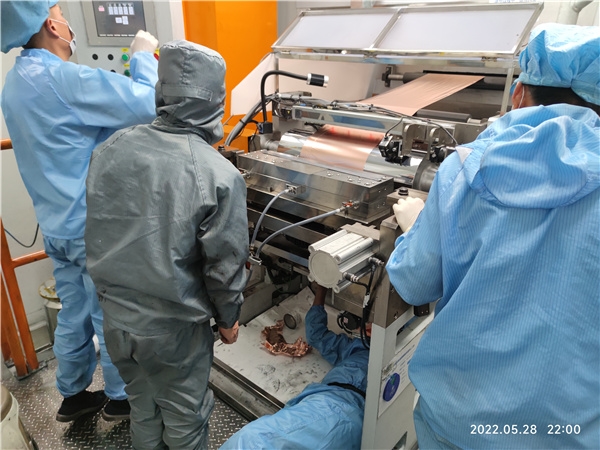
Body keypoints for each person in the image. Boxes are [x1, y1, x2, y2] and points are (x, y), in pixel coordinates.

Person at [386, 23, 599, 449]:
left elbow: (413, 283)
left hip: (457, 422)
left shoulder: (463, 168)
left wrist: (416, 229)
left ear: (518, 94)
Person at [84, 40, 248, 450]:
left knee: (143, 407)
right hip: (172, 334)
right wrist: (228, 319)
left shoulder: (111, 149)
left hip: (117, 322)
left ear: (161, 91)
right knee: (184, 419)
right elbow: (224, 265)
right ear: (216, 102)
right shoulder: (218, 174)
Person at [1, 1, 160, 422]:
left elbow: (72, 133)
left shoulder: (14, 84)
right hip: (92, 227)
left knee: (73, 311)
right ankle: (122, 398)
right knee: (111, 312)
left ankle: (72, 394)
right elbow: (147, 103)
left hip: (56, 226)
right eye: (61, 14)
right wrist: (142, 55)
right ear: (52, 26)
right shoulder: (63, 78)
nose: (68, 24)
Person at [221, 284, 369, 450]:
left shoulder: (379, 354)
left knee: (252, 441)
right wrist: (322, 289)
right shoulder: (355, 348)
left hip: (343, 412)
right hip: (337, 407)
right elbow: (316, 333)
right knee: (253, 441)